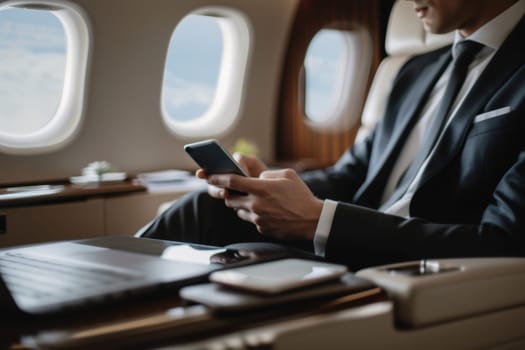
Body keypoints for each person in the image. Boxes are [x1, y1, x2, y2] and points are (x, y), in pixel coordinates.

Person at [141, 0, 525, 270]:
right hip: (344, 239)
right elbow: (351, 175)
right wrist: (267, 185)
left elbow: (503, 241)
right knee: (201, 208)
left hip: (410, 265)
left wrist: (319, 222)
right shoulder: (415, 72)